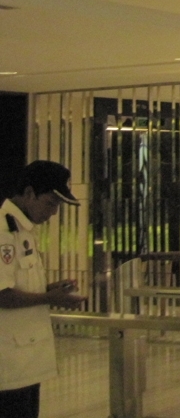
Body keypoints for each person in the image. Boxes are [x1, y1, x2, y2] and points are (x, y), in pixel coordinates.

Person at [0, 160, 86, 418]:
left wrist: (49, 289)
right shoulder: (3, 232)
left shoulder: (22, 229)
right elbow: (2, 295)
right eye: (50, 203)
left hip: (26, 361)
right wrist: (50, 297)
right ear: (29, 193)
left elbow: (18, 284)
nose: (54, 213)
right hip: (9, 364)